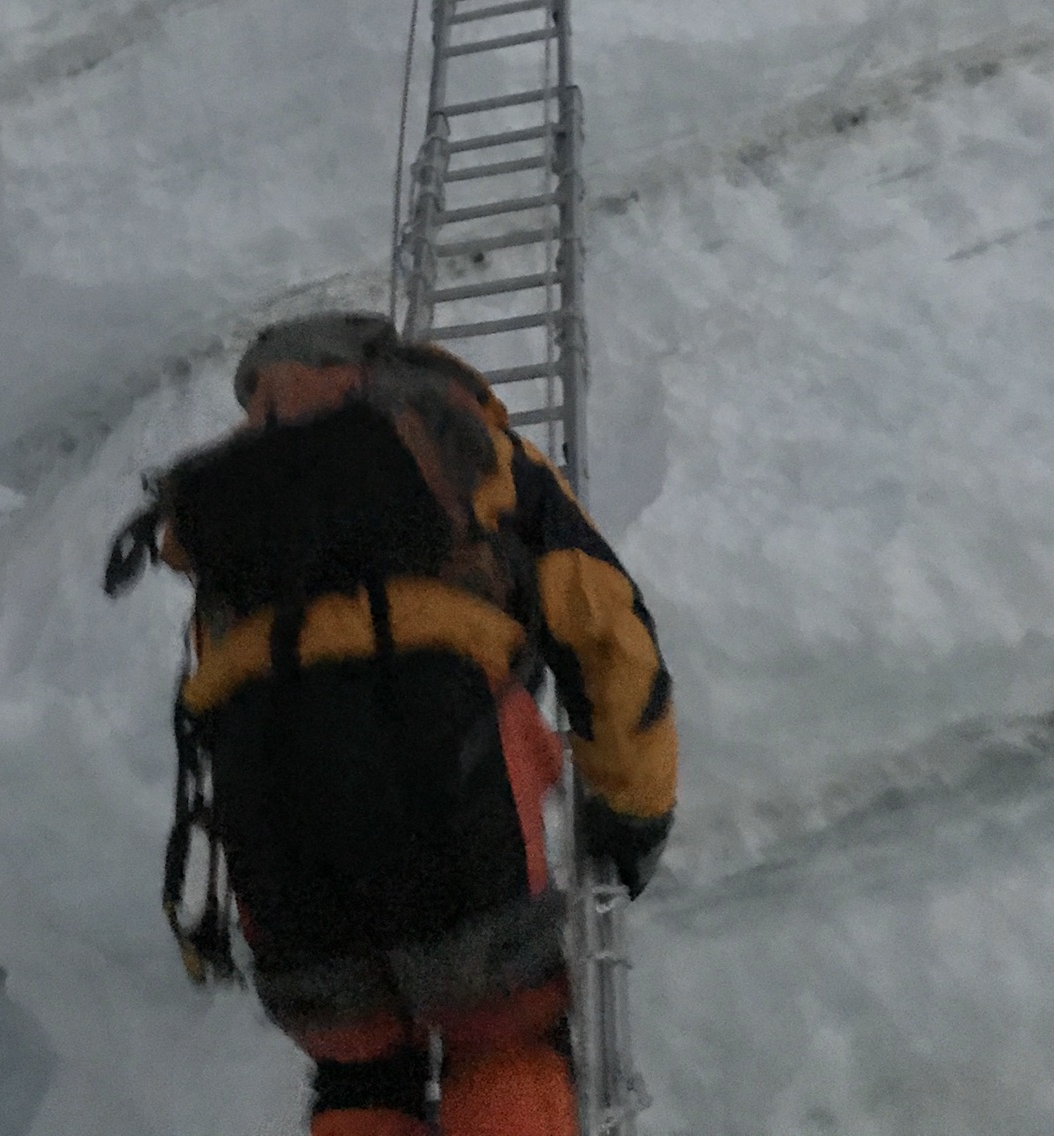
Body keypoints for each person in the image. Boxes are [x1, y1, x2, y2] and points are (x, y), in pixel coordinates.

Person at [107, 312, 675, 1136]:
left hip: (276, 818)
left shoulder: (234, 503)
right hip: (447, 781)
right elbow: (604, 626)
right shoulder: (460, 446)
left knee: (360, 1070)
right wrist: (632, 810)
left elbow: (219, 679)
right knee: (502, 1040)